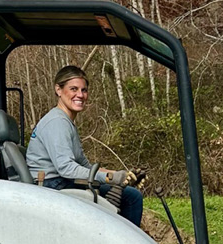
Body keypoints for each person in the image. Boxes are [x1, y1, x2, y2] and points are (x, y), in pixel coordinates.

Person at [26, 65, 143, 226]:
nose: (80, 95)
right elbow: (66, 168)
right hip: (52, 185)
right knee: (131, 199)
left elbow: (85, 166)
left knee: (129, 194)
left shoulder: (66, 122)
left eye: (84, 90)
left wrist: (120, 175)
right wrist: (109, 178)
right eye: (73, 89)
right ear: (58, 90)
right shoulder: (57, 122)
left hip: (60, 181)